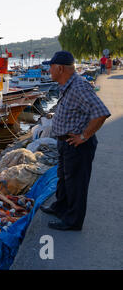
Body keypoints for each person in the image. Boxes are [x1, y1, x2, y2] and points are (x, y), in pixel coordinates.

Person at [40, 50, 111, 231]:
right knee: (63, 179)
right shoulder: (67, 85)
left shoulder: (79, 86)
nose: (49, 71)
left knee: (76, 184)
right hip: (65, 143)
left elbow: (101, 113)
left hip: (77, 146)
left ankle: (73, 221)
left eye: (51, 67)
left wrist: (83, 136)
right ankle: (60, 207)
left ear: (60, 68)